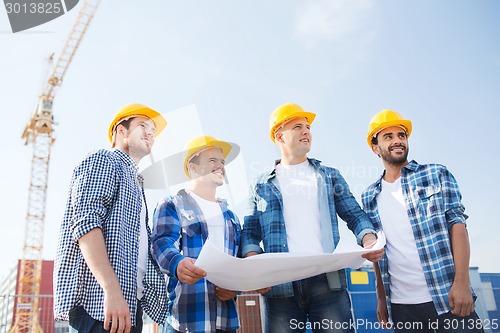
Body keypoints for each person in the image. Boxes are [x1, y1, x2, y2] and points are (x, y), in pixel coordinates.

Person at [241, 102, 384, 333]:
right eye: (298, 126)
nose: (306, 131)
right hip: (280, 285)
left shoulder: (328, 176)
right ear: (279, 136)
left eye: (308, 127)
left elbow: (355, 215)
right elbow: (249, 232)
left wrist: (369, 239)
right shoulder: (260, 184)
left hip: (327, 281)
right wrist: (255, 269)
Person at [362, 109, 484, 333]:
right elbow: (377, 253)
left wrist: (462, 282)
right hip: (402, 307)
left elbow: (458, 226)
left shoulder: (437, 173)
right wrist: (381, 298)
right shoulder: (369, 196)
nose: (398, 141)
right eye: (388, 137)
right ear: (375, 147)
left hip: (448, 296)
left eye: (401, 135)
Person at [54, 103, 169, 333]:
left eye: (153, 131)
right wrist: (112, 290)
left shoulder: (136, 182)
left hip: (126, 302)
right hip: (102, 303)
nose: (150, 133)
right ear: (121, 132)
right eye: (143, 126)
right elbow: (86, 224)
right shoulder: (105, 160)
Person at [151, 135, 242, 333]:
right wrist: (176, 263)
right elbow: (162, 242)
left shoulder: (231, 217)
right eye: (212, 160)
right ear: (192, 167)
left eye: (222, 161)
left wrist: (236, 286)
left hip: (226, 323)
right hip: (186, 321)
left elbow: (240, 263)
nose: (220, 166)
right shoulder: (172, 204)